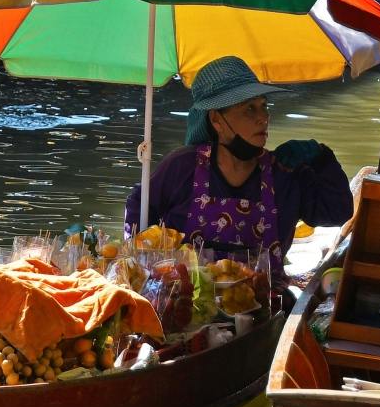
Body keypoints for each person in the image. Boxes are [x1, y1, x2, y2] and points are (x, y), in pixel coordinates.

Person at [124, 56, 353, 283]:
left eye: (264, 106)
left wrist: (323, 159)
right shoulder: (183, 166)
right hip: (185, 303)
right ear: (216, 120)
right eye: (249, 109)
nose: (263, 118)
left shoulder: (283, 173)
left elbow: (338, 212)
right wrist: (145, 267)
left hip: (263, 308)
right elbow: (139, 207)